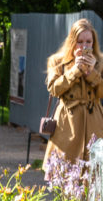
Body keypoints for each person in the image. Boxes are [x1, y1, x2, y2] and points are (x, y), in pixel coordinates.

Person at [44, 18, 103, 171]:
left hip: (94, 123)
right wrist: (75, 70)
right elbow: (54, 89)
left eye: (88, 42)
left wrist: (92, 73)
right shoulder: (57, 61)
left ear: (94, 42)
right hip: (67, 124)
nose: (84, 46)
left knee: (93, 176)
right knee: (65, 175)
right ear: (72, 41)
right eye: (80, 41)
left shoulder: (100, 62)